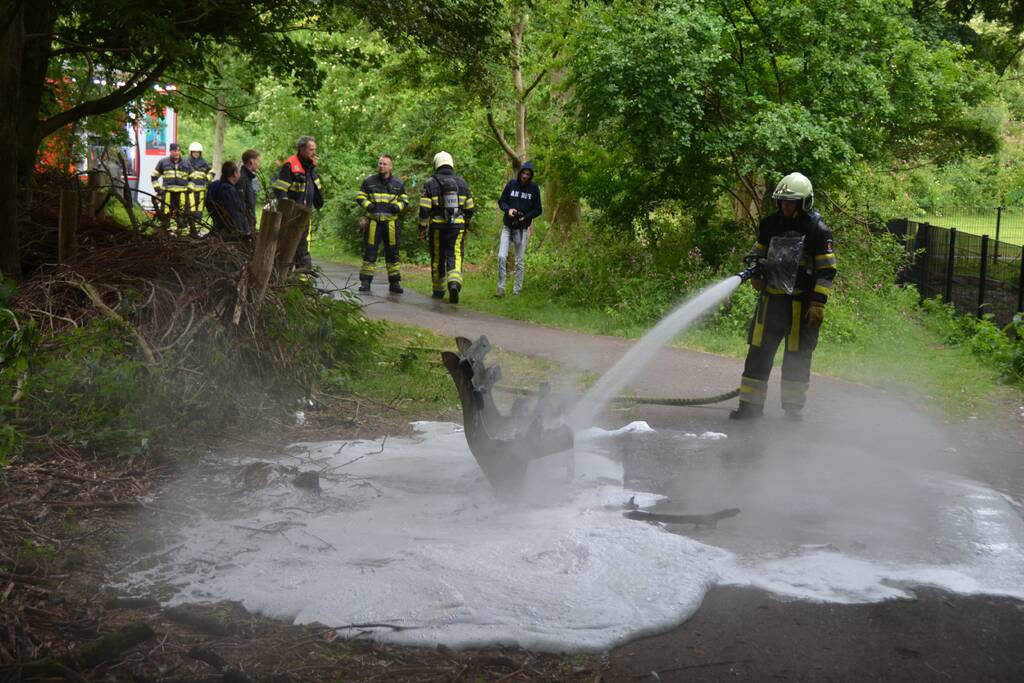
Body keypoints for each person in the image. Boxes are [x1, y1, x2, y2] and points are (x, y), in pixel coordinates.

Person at [731, 172, 836, 422]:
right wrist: (756, 270)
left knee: (797, 358)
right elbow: (759, 252)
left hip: (801, 306)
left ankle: (793, 410)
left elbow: (827, 269)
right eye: (783, 202)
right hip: (771, 303)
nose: (786, 206)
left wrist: (818, 303)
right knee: (758, 353)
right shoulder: (770, 224)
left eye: (792, 202)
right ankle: (750, 408)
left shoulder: (818, 231)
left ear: (804, 202)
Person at [418, 151, 474, 303]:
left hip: (437, 227)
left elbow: (424, 209)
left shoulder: (430, 182)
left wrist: (422, 228)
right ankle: (454, 284)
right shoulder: (462, 183)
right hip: (457, 227)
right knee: (455, 255)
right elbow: (470, 208)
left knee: (437, 257)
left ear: (436, 163)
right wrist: (466, 225)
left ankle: (438, 291)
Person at [355, 154, 409, 293]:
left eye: (385, 164)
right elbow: (360, 196)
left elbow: (405, 200)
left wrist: (398, 207)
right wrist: (369, 206)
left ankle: (395, 283)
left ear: (390, 166)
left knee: (392, 253)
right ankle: (365, 283)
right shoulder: (369, 181)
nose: (382, 166)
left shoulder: (398, 183)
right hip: (373, 223)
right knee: (370, 253)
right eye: (380, 163)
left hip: (391, 224)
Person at [272, 135, 324, 270]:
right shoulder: (290, 166)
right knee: (293, 248)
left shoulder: (310, 167)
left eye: (315, 149)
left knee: (301, 246)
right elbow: (280, 189)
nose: (314, 153)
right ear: (301, 149)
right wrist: (287, 211)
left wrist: (319, 201)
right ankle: (294, 279)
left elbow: (315, 188)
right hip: (292, 215)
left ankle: (299, 281)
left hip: (305, 214)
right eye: (311, 149)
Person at [496, 160, 542, 297]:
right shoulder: (511, 184)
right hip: (508, 227)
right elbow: (502, 201)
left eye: (528, 174)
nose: (525, 176)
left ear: (531, 175)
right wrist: (508, 209)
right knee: (501, 257)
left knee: (519, 261)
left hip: (522, 229)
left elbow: (538, 209)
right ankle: (501, 288)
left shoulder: (533, 188)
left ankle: (517, 291)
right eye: (523, 173)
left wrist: (525, 217)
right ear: (520, 172)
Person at [150, 142, 190, 231]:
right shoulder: (163, 162)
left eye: (178, 151)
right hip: (167, 194)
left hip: (181, 194)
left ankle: (182, 234)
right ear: (170, 151)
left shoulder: (186, 163)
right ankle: (165, 233)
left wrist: (190, 188)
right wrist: (158, 190)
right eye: (175, 151)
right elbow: (154, 176)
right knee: (165, 214)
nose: (177, 153)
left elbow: (193, 177)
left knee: (182, 214)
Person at [206, 161, 247, 237]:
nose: (240, 174)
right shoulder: (228, 191)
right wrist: (242, 232)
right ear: (235, 174)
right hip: (228, 234)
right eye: (238, 171)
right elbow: (234, 213)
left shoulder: (217, 185)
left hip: (217, 228)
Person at [185, 142, 214, 233]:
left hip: (202, 190)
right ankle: (191, 229)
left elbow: (212, 172)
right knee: (191, 210)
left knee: (200, 210)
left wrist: (207, 178)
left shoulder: (204, 162)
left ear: (200, 153)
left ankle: (197, 229)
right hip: (191, 191)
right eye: (194, 152)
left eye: (198, 152)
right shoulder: (186, 162)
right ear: (191, 152)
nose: (196, 153)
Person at [238, 149, 261, 237]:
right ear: (251, 161)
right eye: (258, 161)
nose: (259, 164)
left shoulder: (249, 177)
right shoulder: (243, 179)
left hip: (249, 220)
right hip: (246, 223)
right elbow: (242, 203)